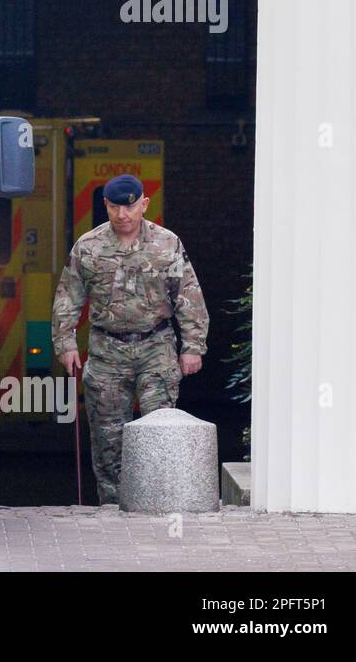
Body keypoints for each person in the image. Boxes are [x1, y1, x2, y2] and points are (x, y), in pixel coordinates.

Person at [51, 173, 210, 505]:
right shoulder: (89, 247)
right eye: (114, 208)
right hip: (107, 351)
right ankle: (113, 507)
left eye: (129, 207)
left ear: (144, 204)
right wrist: (65, 343)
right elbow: (68, 296)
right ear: (105, 206)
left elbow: (188, 296)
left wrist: (192, 346)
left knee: (158, 429)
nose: (122, 215)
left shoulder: (167, 244)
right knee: (109, 438)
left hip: (156, 346)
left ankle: (157, 503)